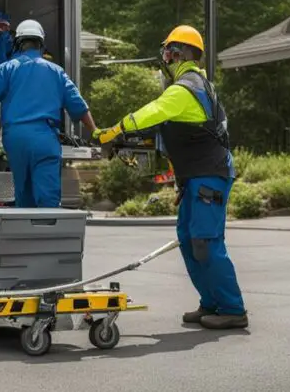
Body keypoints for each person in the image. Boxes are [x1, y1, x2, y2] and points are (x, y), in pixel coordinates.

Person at [92, 25, 248, 330]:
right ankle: (211, 302)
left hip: (209, 176)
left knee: (205, 242)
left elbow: (153, 112)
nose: (164, 59)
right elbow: (175, 136)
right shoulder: (195, 87)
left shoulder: (185, 88)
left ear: (178, 53)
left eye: (167, 52)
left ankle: (233, 308)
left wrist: (115, 130)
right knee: (190, 241)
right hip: (196, 178)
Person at [0, 19, 97, 207]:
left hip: (15, 139)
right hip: (45, 138)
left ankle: (24, 233)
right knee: (48, 200)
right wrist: (95, 132)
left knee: (23, 197)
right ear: (41, 44)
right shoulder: (56, 72)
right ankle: (49, 233)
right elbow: (79, 107)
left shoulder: (6, 69)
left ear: (18, 43)